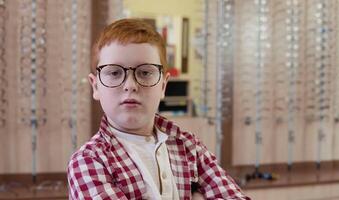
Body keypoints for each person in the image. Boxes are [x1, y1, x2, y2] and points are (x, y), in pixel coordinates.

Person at [67, 18, 250, 200]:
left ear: (163, 86)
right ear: (96, 86)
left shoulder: (188, 146)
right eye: (114, 72)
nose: (130, 85)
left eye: (145, 72)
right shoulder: (88, 161)